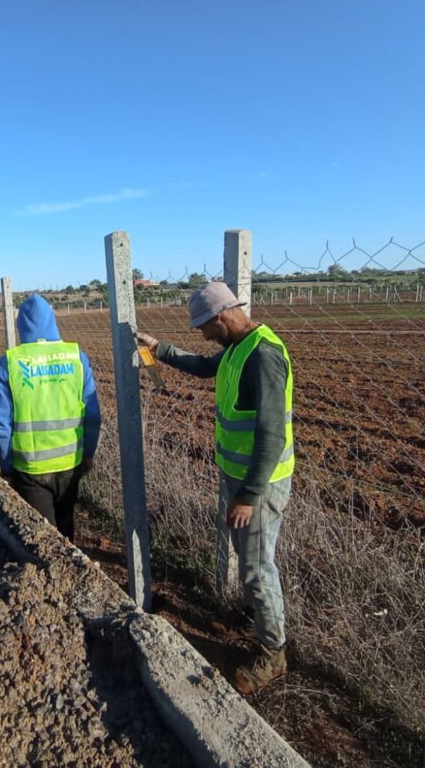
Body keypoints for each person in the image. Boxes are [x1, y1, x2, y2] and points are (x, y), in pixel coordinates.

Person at [136, 282, 294, 694]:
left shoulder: (262, 355)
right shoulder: (238, 347)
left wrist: (247, 495)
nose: (203, 335)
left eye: (204, 327)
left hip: (257, 485)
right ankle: (251, 618)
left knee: (259, 567)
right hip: (238, 476)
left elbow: (272, 434)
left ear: (222, 317)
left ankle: (273, 654)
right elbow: (207, 367)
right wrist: (159, 347)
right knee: (248, 557)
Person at [0, 295, 101, 541]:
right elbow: (92, 415)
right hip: (70, 463)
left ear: (21, 326)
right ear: (52, 321)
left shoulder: (9, 362)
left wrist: (7, 465)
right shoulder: (76, 357)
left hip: (30, 468)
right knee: (65, 526)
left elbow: (1, 423)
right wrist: (88, 454)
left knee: (42, 538)